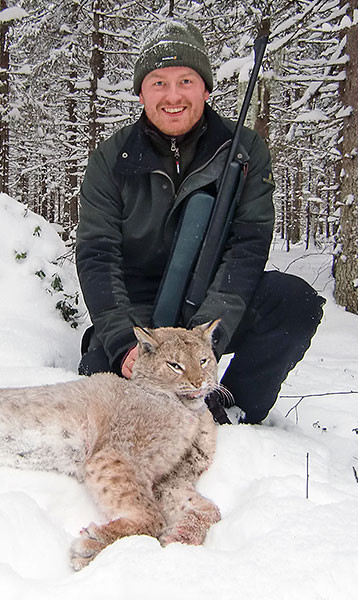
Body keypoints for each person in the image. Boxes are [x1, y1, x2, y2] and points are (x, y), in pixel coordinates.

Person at [75, 20, 324, 425]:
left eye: (186, 81)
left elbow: (247, 251)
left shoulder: (244, 151)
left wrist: (204, 343)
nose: (173, 96)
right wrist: (123, 342)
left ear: (206, 89)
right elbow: (97, 256)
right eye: (159, 83)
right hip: (142, 315)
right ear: (141, 92)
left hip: (213, 307)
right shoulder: (110, 159)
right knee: (99, 380)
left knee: (293, 302)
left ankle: (233, 411)